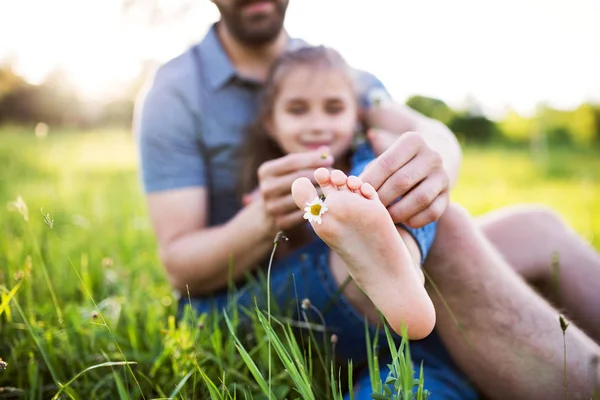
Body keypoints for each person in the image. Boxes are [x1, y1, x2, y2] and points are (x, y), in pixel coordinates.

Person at [134, 1, 600, 398]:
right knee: (449, 235)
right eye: (297, 110)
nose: (317, 122)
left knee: (538, 227)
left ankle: (409, 284)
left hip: (360, 263)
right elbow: (180, 267)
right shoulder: (175, 90)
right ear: (271, 123)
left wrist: (430, 168)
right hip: (241, 299)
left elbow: (426, 133)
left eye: (334, 109)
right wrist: (263, 218)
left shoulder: (341, 72)